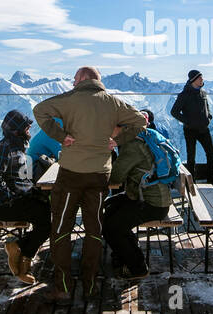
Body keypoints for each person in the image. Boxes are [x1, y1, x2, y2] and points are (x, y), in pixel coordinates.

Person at [33, 67, 148, 300]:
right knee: (93, 229)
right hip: (99, 175)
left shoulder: (69, 99)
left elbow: (39, 110)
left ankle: (64, 287)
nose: (73, 83)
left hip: (71, 174)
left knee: (61, 228)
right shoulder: (113, 103)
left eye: (75, 78)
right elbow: (140, 122)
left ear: (84, 78)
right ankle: (90, 285)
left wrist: (60, 135)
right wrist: (117, 140)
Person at [0, 109, 52, 284]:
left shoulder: (17, 147)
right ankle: (23, 256)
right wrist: (11, 198)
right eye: (26, 127)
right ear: (16, 131)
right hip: (5, 206)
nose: (29, 130)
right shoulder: (2, 149)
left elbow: (19, 179)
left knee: (47, 210)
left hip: (16, 200)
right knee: (47, 221)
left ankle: (21, 253)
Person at [102, 127, 175, 280]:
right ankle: (123, 254)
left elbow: (116, 177)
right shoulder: (138, 137)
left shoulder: (132, 146)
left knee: (112, 226)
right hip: (144, 196)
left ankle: (138, 268)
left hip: (153, 203)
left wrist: (108, 153)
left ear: (119, 128)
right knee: (109, 207)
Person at [171, 69, 213, 184]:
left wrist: (209, 117)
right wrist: (188, 121)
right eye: (200, 78)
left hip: (204, 129)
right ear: (193, 80)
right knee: (191, 158)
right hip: (190, 130)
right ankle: (192, 184)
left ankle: (211, 183)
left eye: (202, 78)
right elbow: (174, 112)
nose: (202, 80)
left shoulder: (203, 93)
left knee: (211, 155)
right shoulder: (184, 95)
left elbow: (207, 107)